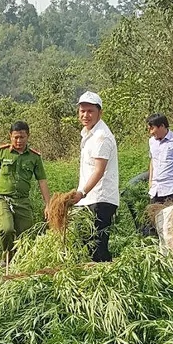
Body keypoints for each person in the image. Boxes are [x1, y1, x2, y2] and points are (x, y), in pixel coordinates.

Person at [0, 121, 50, 263]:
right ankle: (6, 258)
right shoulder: (1, 152)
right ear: (10, 136)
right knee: (6, 229)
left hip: (22, 201)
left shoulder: (34, 157)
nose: (19, 141)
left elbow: (42, 181)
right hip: (3, 199)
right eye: (16, 137)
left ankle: (18, 264)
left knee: (25, 236)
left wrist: (48, 204)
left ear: (28, 136)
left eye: (22, 137)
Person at [70, 91, 120, 262]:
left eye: (90, 111)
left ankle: (106, 278)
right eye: (82, 111)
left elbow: (99, 170)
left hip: (100, 199)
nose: (85, 115)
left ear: (100, 112)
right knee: (85, 245)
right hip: (87, 199)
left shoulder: (101, 136)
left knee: (97, 247)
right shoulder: (87, 134)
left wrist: (81, 192)